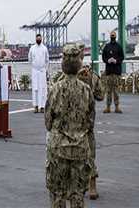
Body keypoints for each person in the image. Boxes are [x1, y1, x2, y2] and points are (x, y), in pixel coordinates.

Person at [45, 44, 93, 208]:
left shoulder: (55, 89)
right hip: (80, 149)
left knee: (58, 194)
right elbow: (90, 121)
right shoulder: (86, 90)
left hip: (58, 149)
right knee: (78, 195)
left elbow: (48, 122)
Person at [75, 43, 103, 200]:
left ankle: (74, 185)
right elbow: (100, 96)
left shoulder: (63, 77)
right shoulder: (91, 75)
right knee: (89, 155)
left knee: (70, 157)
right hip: (87, 124)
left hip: (68, 127)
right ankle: (92, 186)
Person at [101, 30, 124, 113]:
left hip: (116, 72)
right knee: (108, 91)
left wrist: (116, 61)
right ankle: (108, 107)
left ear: (115, 36)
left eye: (113, 35)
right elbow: (103, 58)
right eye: (112, 35)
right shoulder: (106, 47)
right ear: (110, 37)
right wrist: (108, 60)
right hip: (109, 72)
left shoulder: (119, 47)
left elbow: (122, 57)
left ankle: (117, 107)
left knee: (116, 91)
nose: (113, 37)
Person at [28, 34, 49, 113]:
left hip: (42, 71)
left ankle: (42, 106)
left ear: (41, 39)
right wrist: (34, 66)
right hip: (35, 71)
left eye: (40, 38)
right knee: (35, 89)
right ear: (35, 39)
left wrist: (45, 69)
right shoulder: (32, 48)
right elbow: (29, 59)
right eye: (37, 38)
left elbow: (47, 60)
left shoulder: (44, 48)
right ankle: (36, 106)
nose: (38, 39)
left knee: (43, 89)